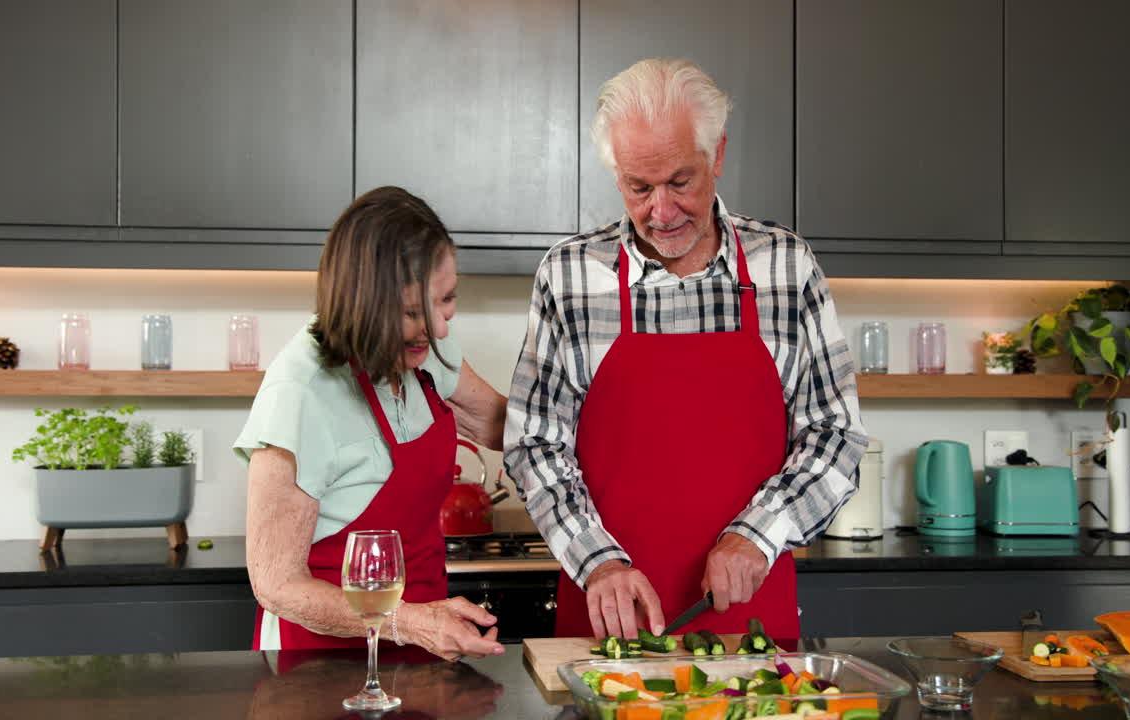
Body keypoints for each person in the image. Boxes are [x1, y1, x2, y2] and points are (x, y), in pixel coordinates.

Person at [504, 59, 867, 642]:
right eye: (638, 188)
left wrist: (758, 533)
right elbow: (535, 443)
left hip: (750, 629)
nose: (661, 213)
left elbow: (836, 433)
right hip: (607, 631)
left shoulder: (786, 267)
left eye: (680, 182)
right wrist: (599, 560)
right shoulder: (569, 276)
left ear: (717, 155)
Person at [236, 186, 507, 662]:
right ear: (363, 303)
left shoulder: (425, 351)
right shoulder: (301, 392)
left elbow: (502, 425)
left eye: (447, 300)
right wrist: (409, 621)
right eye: (412, 313)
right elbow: (276, 584)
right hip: (320, 665)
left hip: (425, 652)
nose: (441, 328)